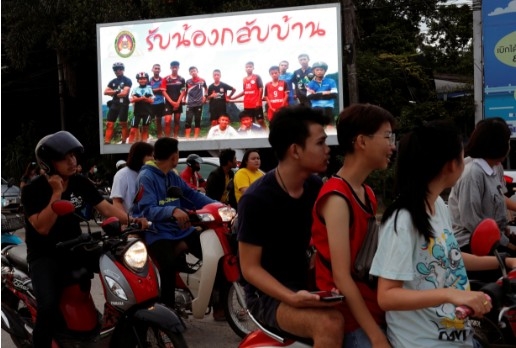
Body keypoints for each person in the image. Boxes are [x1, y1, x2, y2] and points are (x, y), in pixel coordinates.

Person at [369, 120, 516, 347]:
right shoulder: (403, 219)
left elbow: (451, 256)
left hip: (457, 336)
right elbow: (387, 296)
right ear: (449, 165)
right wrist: (450, 294)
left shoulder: (437, 204)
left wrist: (505, 261)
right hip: (425, 342)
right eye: (461, 155)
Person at [22, 131, 147, 348]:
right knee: (48, 307)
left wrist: (133, 220)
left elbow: (105, 207)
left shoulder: (80, 182)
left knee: (121, 262)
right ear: (49, 163)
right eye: (65, 157)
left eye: (73, 156)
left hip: (77, 246)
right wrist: (56, 194)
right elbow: (42, 227)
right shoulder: (33, 189)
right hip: (45, 254)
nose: (72, 161)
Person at [238, 105, 344, 347]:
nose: (328, 150)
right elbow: (250, 269)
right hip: (268, 297)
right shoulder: (256, 200)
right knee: (330, 323)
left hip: (308, 286)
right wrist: (292, 298)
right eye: (320, 143)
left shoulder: (316, 187)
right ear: (295, 150)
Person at [311, 104, 395, 348]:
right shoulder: (337, 198)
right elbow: (341, 276)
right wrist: (376, 336)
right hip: (351, 317)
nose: (392, 146)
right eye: (387, 137)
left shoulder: (366, 192)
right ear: (361, 141)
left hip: (373, 306)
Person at [132, 137, 216, 310]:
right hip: (157, 232)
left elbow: (192, 195)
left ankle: (217, 302)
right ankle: (168, 314)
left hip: (180, 230)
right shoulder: (146, 177)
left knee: (211, 250)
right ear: (174, 157)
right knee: (168, 267)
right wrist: (172, 211)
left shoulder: (172, 175)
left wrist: (216, 206)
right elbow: (147, 209)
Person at [448, 117, 516, 257]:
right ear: (497, 144)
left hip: (493, 239)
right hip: (471, 244)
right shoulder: (473, 174)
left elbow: (499, 198)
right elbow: (472, 222)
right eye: (507, 141)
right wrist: (506, 243)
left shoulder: (495, 168)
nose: (509, 146)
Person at [110, 142, 154, 214]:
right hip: (131, 222)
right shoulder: (122, 175)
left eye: (153, 156)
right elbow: (117, 202)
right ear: (139, 156)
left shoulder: (149, 174)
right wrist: (128, 221)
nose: (152, 159)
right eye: (149, 155)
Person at [230, 61, 266, 130]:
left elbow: (261, 88)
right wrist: (233, 98)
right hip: (247, 104)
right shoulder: (244, 79)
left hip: (256, 104)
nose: (248, 68)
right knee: (250, 122)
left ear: (253, 68)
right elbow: (244, 91)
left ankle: (266, 134)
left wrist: (259, 101)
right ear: (245, 69)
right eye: (247, 67)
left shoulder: (257, 77)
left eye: (250, 67)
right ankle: (253, 136)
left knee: (260, 121)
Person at [104, 62, 132, 144]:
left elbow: (124, 93)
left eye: (120, 69)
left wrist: (112, 92)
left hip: (123, 104)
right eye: (116, 70)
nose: (118, 71)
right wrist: (117, 91)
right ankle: (107, 142)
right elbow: (105, 92)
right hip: (114, 104)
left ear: (123, 70)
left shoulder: (127, 80)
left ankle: (124, 141)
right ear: (114, 71)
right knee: (109, 124)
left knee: (123, 123)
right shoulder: (112, 81)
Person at [306, 61, 338, 125]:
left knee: (330, 124)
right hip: (316, 106)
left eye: (322, 70)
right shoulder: (310, 83)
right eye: (317, 70)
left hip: (329, 106)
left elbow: (334, 95)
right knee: (317, 124)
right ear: (314, 71)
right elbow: (309, 97)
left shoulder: (331, 81)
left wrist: (316, 94)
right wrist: (324, 93)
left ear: (325, 71)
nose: (319, 72)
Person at [161, 60, 186, 138]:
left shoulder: (181, 79)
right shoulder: (165, 78)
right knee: (167, 121)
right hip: (169, 103)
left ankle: (175, 137)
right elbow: (163, 91)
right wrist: (171, 102)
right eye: (173, 67)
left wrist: (178, 102)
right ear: (170, 68)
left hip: (178, 102)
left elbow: (183, 91)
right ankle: (167, 138)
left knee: (177, 121)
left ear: (178, 68)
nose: (174, 68)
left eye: (176, 67)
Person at [128, 72, 154, 143]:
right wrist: (144, 98)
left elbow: (151, 101)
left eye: (144, 79)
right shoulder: (135, 89)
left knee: (145, 129)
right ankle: (129, 145)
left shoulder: (149, 88)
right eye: (140, 79)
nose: (142, 80)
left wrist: (139, 98)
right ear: (138, 80)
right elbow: (132, 100)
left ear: (147, 80)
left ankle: (143, 144)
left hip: (147, 112)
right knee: (133, 130)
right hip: (137, 112)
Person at [184, 66, 208, 139]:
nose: (193, 72)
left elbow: (206, 89)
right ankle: (187, 138)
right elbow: (185, 91)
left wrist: (205, 96)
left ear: (197, 71)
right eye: (191, 71)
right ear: (189, 73)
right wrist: (184, 99)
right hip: (190, 103)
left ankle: (195, 137)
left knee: (197, 120)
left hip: (199, 103)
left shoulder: (202, 80)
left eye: (194, 71)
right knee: (188, 120)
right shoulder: (188, 81)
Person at [150, 63, 165, 138]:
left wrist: (155, 90)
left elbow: (164, 90)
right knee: (148, 120)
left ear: (160, 70)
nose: (157, 70)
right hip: (151, 103)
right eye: (155, 68)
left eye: (158, 68)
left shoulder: (163, 80)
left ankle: (160, 136)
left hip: (160, 102)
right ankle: (147, 136)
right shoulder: (149, 80)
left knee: (158, 120)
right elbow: (149, 90)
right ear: (152, 70)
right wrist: (159, 89)